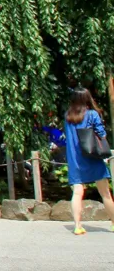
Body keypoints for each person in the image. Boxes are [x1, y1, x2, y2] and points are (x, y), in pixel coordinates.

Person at [63, 88, 114, 235]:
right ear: (87, 98)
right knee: (105, 193)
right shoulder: (92, 114)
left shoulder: (67, 116)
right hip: (92, 156)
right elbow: (101, 133)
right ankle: (113, 223)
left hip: (75, 159)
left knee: (77, 192)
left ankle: (77, 226)